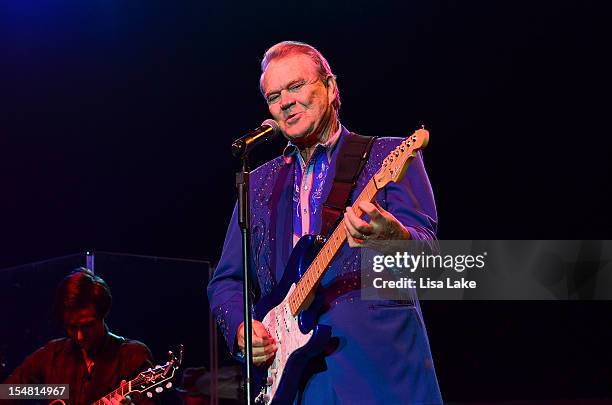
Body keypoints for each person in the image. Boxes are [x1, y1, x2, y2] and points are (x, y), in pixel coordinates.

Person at [208, 41, 442, 404]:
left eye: (296, 86)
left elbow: (433, 264)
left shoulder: (387, 157)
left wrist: (392, 237)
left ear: (331, 88)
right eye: (274, 95)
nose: (285, 101)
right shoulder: (257, 183)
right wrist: (241, 326)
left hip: (379, 374)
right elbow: (226, 280)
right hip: (294, 383)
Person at [3, 268, 155, 405]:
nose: (80, 336)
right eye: (72, 327)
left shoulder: (132, 357)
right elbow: (7, 393)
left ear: (103, 314)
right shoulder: (52, 357)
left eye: (87, 325)